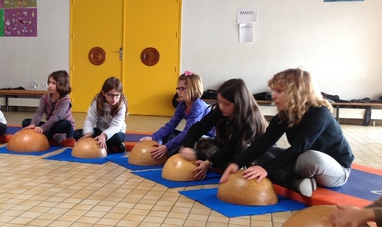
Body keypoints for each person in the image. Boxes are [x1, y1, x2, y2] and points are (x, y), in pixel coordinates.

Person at [221, 68, 354, 197]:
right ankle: (297, 181)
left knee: (309, 158)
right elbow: (264, 142)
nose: (273, 96)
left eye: (279, 91)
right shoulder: (285, 115)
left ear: (297, 93)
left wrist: (266, 169)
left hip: (334, 169)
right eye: (274, 91)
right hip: (300, 160)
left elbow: (299, 147)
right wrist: (236, 163)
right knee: (257, 153)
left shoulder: (320, 113)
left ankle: (286, 175)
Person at [180, 78, 267, 180]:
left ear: (240, 104)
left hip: (245, 152)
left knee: (236, 159)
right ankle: (218, 162)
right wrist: (187, 146)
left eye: (227, 104)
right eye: (220, 102)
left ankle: (231, 166)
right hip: (226, 147)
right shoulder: (220, 111)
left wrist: (209, 162)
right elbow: (197, 128)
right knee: (198, 143)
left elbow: (233, 146)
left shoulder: (249, 119)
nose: (221, 107)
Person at [142, 71, 209, 159]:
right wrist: (153, 138)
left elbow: (189, 131)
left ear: (193, 89)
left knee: (195, 144)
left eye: (182, 88)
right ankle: (175, 151)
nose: (178, 92)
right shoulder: (182, 104)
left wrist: (166, 147)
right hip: (192, 134)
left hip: (205, 137)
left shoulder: (198, 106)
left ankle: (176, 152)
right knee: (169, 134)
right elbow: (171, 124)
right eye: (177, 88)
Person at [73, 76, 127, 154]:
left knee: (117, 138)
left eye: (117, 95)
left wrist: (104, 136)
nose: (114, 99)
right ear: (103, 93)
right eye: (110, 95)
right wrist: (88, 133)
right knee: (76, 133)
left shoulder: (121, 105)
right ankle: (108, 147)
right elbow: (90, 119)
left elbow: (116, 126)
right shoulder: (96, 102)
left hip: (115, 133)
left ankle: (113, 146)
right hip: (100, 130)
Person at [22, 70, 75, 144]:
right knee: (26, 122)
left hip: (61, 125)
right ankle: (52, 135)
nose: (50, 85)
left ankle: (54, 134)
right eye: (49, 82)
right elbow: (39, 113)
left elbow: (56, 117)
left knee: (65, 124)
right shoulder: (45, 97)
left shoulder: (65, 100)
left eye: (53, 83)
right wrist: (33, 124)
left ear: (62, 84)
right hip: (51, 125)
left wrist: (43, 128)